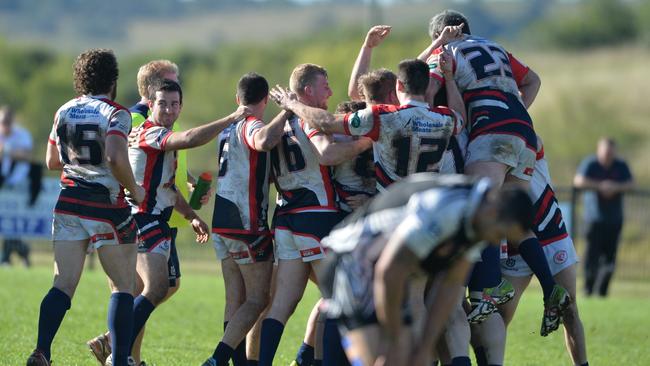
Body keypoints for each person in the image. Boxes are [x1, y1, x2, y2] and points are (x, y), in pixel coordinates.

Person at [425, 9, 570, 336]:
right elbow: (534, 80)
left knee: (481, 204)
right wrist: (514, 109)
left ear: (442, 33)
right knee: (513, 217)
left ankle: (490, 286)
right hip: (524, 131)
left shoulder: (445, 50)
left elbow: (421, 88)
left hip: (493, 131)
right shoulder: (495, 47)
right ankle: (551, 288)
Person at [318, 174, 534, 366]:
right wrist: (392, 341)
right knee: (384, 357)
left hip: (384, 270)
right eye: (500, 234)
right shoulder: (447, 208)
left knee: (407, 356)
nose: (496, 242)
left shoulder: (479, 218)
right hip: (351, 262)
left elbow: (450, 285)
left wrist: (424, 349)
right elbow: (389, 271)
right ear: (493, 212)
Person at [86, 59, 211, 366]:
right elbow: (132, 161)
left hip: (165, 211)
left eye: (175, 98)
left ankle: (119, 347)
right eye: (172, 79)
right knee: (142, 288)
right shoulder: (136, 120)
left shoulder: (166, 116)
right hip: (141, 213)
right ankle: (123, 352)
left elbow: (165, 167)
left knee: (164, 286)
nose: (173, 97)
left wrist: (191, 186)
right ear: (154, 88)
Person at [119, 79, 252, 365]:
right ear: (151, 105)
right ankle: (116, 348)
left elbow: (166, 187)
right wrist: (232, 117)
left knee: (162, 286)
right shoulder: (151, 133)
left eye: (174, 104)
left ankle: (116, 346)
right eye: (162, 103)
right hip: (142, 219)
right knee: (155, 288)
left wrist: (191, 216)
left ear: (180, 107)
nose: (168, 109)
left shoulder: (162, 136)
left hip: (156, 219)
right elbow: (191, 138)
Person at [27, 48, 145, 366]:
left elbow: (53, 160)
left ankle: (42, 351)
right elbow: (116, 157)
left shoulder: (64, 110)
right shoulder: (116, 113)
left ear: (80, 79)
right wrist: (135, 189)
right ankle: (120, 359)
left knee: (63, 283)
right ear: (113, 80)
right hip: (105, 205)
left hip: (68, 203)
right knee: (124, 286)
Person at [256, 63, 371, 366]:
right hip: (316, 214)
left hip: (286, 218)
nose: (330, 92)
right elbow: (328, 154)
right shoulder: (309, 120)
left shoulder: (280, 124)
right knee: (339, 297)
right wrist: (364, 142)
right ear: (307, 92)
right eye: (325, 86)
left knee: (283, 303)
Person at [269, 57, 466, 192]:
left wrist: (291, 103)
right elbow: (461, 117)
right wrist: (449, 78)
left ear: (399, 86)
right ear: (425, 87)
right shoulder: (445, 118)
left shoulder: (382, 116)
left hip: (392, 206)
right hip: (428, 202)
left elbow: (326, 123)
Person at [202, 73, 289, 366]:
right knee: (258, 300)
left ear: (237, 99)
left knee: (235, 301)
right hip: (246, 224)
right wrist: (288, 110)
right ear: (265, 100)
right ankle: (217, 360)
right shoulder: (253, 124)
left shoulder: (228, 130)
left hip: (222, 221)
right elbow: (263, 141)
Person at [499, 135, 588, 366]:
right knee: (499, 317)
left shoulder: (527, 137)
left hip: (551, 234)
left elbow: (533, 142)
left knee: (569, 309)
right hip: (516, 241)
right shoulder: (487, 146)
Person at [574, 137, 634, 297]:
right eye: (605, 152)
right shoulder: (591, 163)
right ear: (599, 150)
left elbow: (631, 184)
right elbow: (578, 181)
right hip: (592, 219)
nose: (608, 155)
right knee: (591, 256)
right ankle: (587, 289)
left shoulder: (620, 165)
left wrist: (615, 187)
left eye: (610, 152)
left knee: (609, 258)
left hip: (614, 219)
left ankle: (602, 292)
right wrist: (600, 186)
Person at [0, 106, 34, 267]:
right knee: (7, 223)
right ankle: (21, 254)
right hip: (3, 185)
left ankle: (6, 258)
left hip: (19, 185)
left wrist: (6, 151)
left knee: (12, 224)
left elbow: (26, 155)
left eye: (7, 121)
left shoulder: (21, 135)